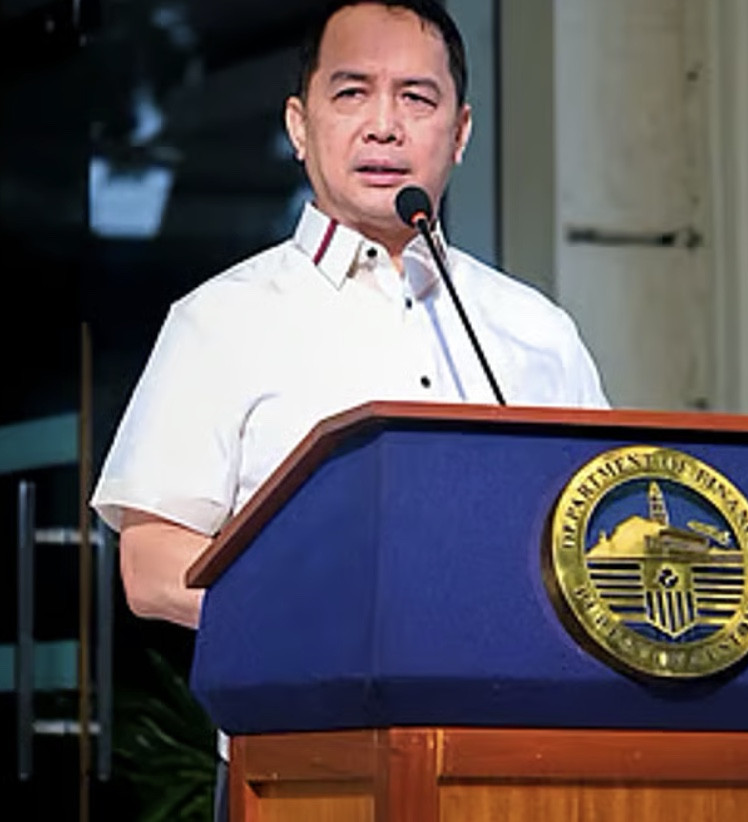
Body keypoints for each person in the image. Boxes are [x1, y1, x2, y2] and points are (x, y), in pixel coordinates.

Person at [89, 0, 608, 817]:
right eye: (352, 92)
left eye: (417, 98)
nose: (384, 125)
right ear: (300, 126)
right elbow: (152, 570)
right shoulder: (221, 320)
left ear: (461, 133)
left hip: (517, 770)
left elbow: (602, 545)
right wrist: (346, 624)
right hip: (300, 772)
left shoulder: (536, 331)